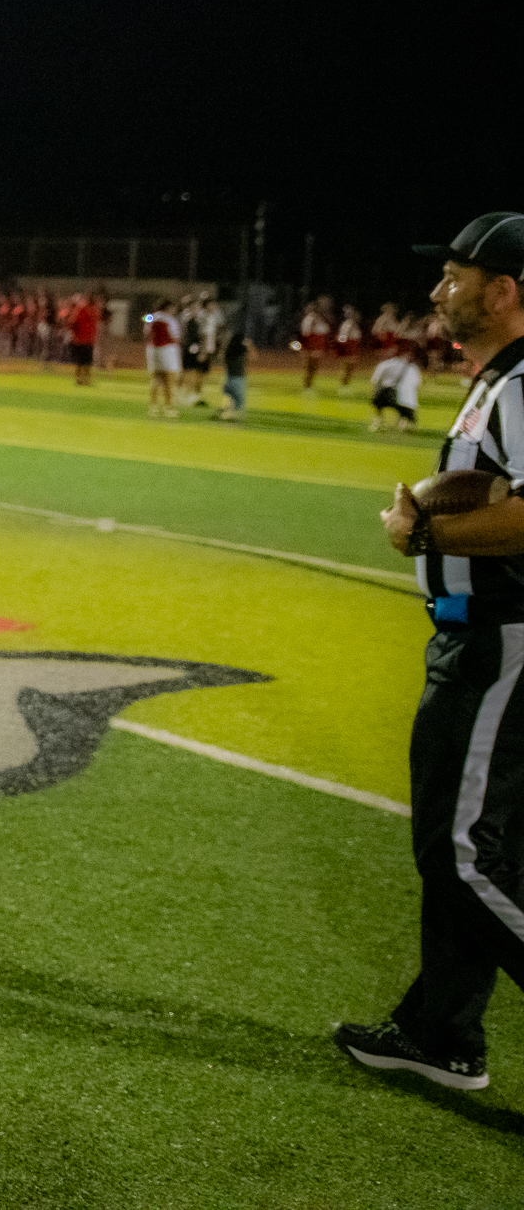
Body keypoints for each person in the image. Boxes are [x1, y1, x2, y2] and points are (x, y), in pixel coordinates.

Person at [342, 212, 524, 1093]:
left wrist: (422, 533)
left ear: (505, 290)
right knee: (484, 846)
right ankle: (442, 1033)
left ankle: (442, 1031)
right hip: (480, 636)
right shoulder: (497, 380)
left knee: (459, 854)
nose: (436, 291)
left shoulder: (522, 382)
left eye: (454, 277)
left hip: (502, 641)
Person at [369, 340, 423, 432]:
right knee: (408, 403)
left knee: (377, 399)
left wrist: (376, 395)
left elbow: (375, 382)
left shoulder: (384, 365)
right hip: (406, 403)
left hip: (386, 396)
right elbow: (418, 385)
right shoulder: (412, 368)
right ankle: (404, 421)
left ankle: (379, 421)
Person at [144, 299, 181, 418]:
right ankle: (169, 408)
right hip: (167, 350)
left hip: (152, 350)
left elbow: (145, 329)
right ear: (168, 308)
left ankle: (153, 406)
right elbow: (175, 337)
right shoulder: (170, 319)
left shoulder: (152, 317)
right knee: (169, 380)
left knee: (155, 378)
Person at [216, 327, 254, 422]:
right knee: (239, 398)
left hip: (229, 376)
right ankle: (233, 415)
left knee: (229, 396)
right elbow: (253, 356)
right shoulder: (240, 350)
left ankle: (226, 414)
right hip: (238, 377)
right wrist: (250, 345)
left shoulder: (229, 350)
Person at [299, 298, 333, 388]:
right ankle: (307, 385)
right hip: (312, 345)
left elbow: (325, 330)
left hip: (318, 344)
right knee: (310, 366)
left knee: (314, 367)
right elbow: (306, 333)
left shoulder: (321, 318)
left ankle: (309, 385)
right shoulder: (310, 318)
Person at [68, 291, 100, 386]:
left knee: (81, 362)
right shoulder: (92, 310)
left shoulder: (81, 309)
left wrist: (75, 334)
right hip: (86, 340)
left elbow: (73, 322)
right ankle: (85, 380)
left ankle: (79, 379)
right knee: (86, 362)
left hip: (81, 339)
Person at [338, 304, 365, 388]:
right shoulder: (349, 324)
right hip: (349, 344)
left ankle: (346, 383)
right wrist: (344, 345)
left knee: (350, 366)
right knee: (348, 366)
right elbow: (343, 335)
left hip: (353, 344)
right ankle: (344, 384)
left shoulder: (353, 324)